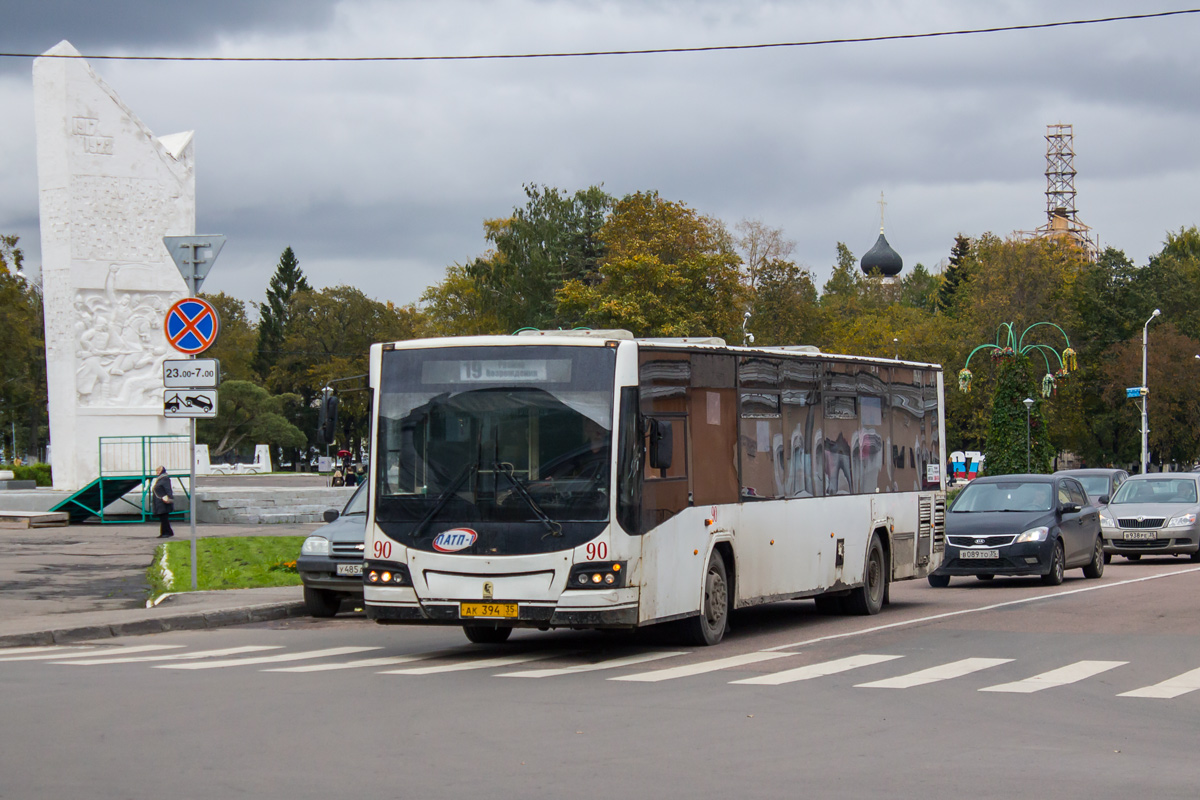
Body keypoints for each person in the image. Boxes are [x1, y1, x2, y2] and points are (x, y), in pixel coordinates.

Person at [151, 466, 174, 538]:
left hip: (163, 502)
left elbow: (168, 489)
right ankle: (167, 532)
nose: (157, 472)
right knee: (163, 517)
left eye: (158, 471)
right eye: (156, 470)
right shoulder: (160, 479)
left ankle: (166, 532)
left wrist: (170, 498)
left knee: (164, 517)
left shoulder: (165, 479)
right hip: (159, 502)